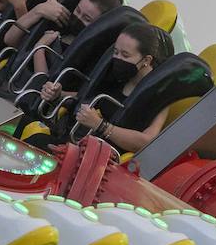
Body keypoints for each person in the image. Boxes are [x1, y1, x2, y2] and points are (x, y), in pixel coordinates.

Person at [44, 22, 172, 153]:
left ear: (146, 60)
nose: (118, 58)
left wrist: (101, 126)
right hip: (73, 139)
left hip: (98, 156)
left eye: (125, 55)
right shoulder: (115, 74)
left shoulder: (159, 95)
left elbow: (146, 141)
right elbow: (87, 98)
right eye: (116, 52)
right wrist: (59, 94)